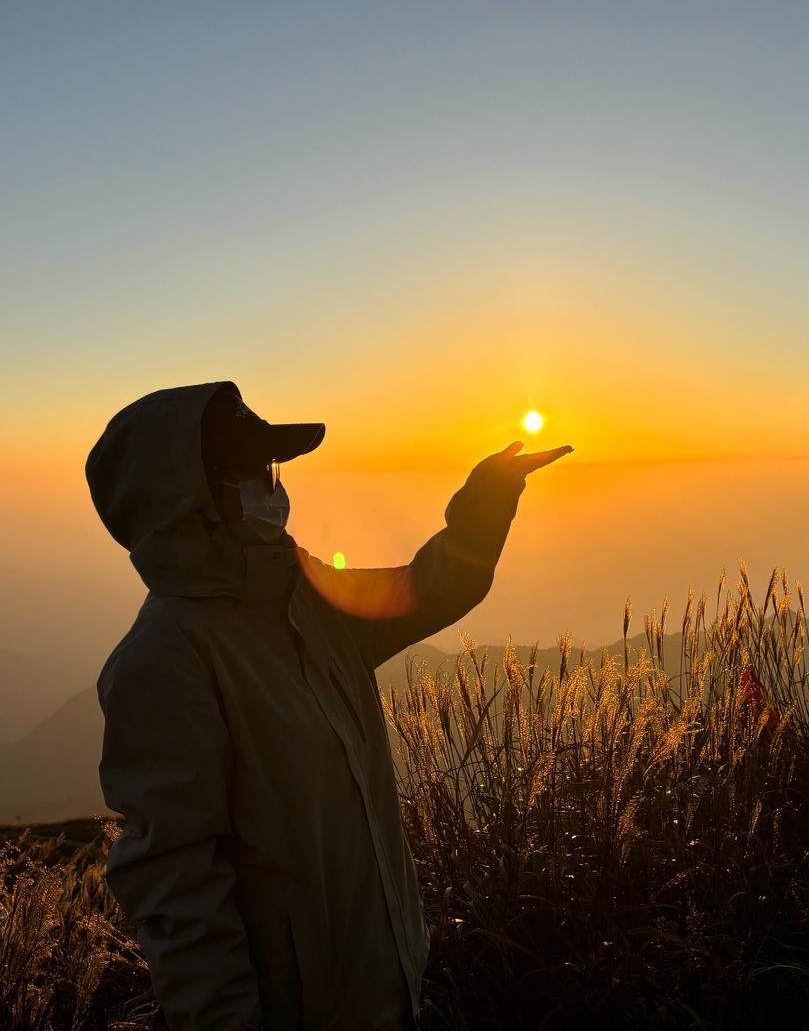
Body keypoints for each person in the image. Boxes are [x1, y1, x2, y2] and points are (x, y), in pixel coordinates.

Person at [85, 381, 572, 1031]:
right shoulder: (165, 661)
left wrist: (485, 503)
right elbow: (179, 894)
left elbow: (425, 590)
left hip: (388, 993)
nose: (272, 486)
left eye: (272, 466)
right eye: (252, 471)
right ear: (188, 501)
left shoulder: (305, 597)